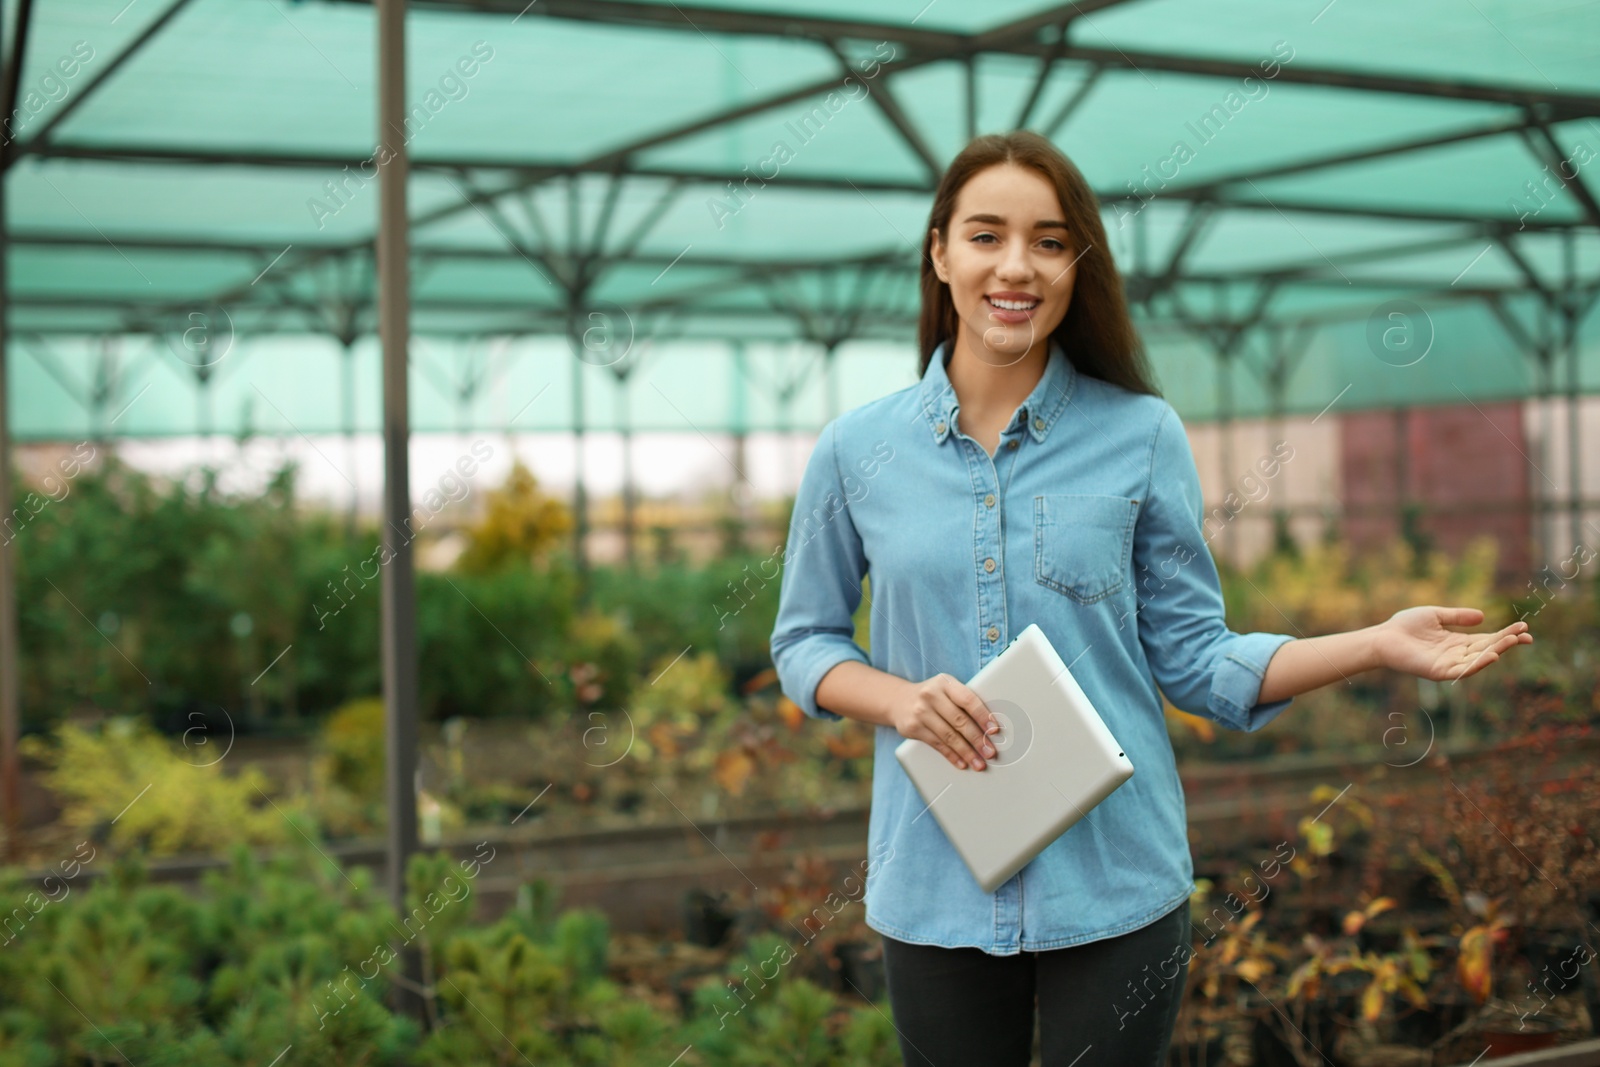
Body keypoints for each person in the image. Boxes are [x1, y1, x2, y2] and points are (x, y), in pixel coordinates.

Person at [767, 129, 1534, 1067]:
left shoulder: (1140, 433)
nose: (1018, 266)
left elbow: (1198, 661)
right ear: (939, 252)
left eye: (1050, 242)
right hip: (934, 882)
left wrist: (1374, 642)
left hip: (1116, 885)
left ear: (1078, 264)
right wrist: (901, 700)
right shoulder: (856, 451)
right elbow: (804, 640)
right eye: (985, 236)